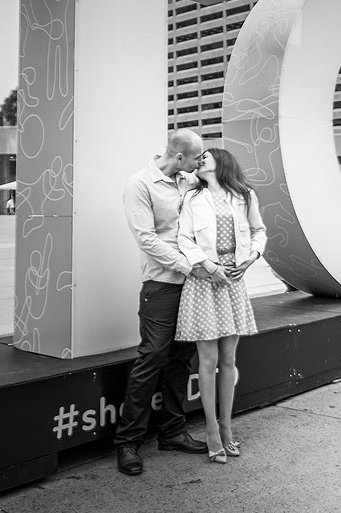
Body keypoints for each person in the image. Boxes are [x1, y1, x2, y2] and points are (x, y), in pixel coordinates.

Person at [115, 129, 210, 476]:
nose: (200, 163)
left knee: (182, 359)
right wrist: (189, 267)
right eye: (196, 157)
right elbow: (146, 239)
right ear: (179, 155)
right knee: (152, 356)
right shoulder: (139, 184)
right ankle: (128, 442)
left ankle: (172, 432)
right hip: (162, 283)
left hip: (194, 283)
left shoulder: (189, 180)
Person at [175, 148, 266, 464]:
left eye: (205, 157)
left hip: (234, 281)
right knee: (208, 359)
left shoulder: (244, 195)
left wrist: (252, 257)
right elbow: (184, 239)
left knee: (229, 358)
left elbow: (259, 231)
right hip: (204, 280)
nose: (199, 160)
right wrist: (210, 267)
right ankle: (211, 431)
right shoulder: (191, 198)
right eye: (197, 158)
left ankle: (227, 429)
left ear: (222, 162)